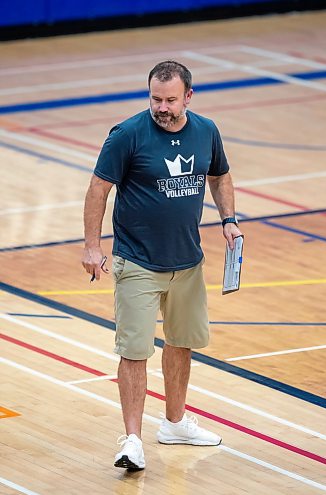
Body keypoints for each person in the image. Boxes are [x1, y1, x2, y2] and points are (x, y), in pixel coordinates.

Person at [82, 60, 242, 470]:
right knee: (135, 351)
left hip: (188, 261)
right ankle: (132, 439)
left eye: (171, 99)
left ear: (189, 96)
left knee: (181, 342)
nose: (162, 107)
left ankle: (174, 423)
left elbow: (220, 176)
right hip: (136, 260)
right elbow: (98, 188)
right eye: (156, 98)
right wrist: (91, 246)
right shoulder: (128, 134)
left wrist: (228, 220)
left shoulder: (206, 130)